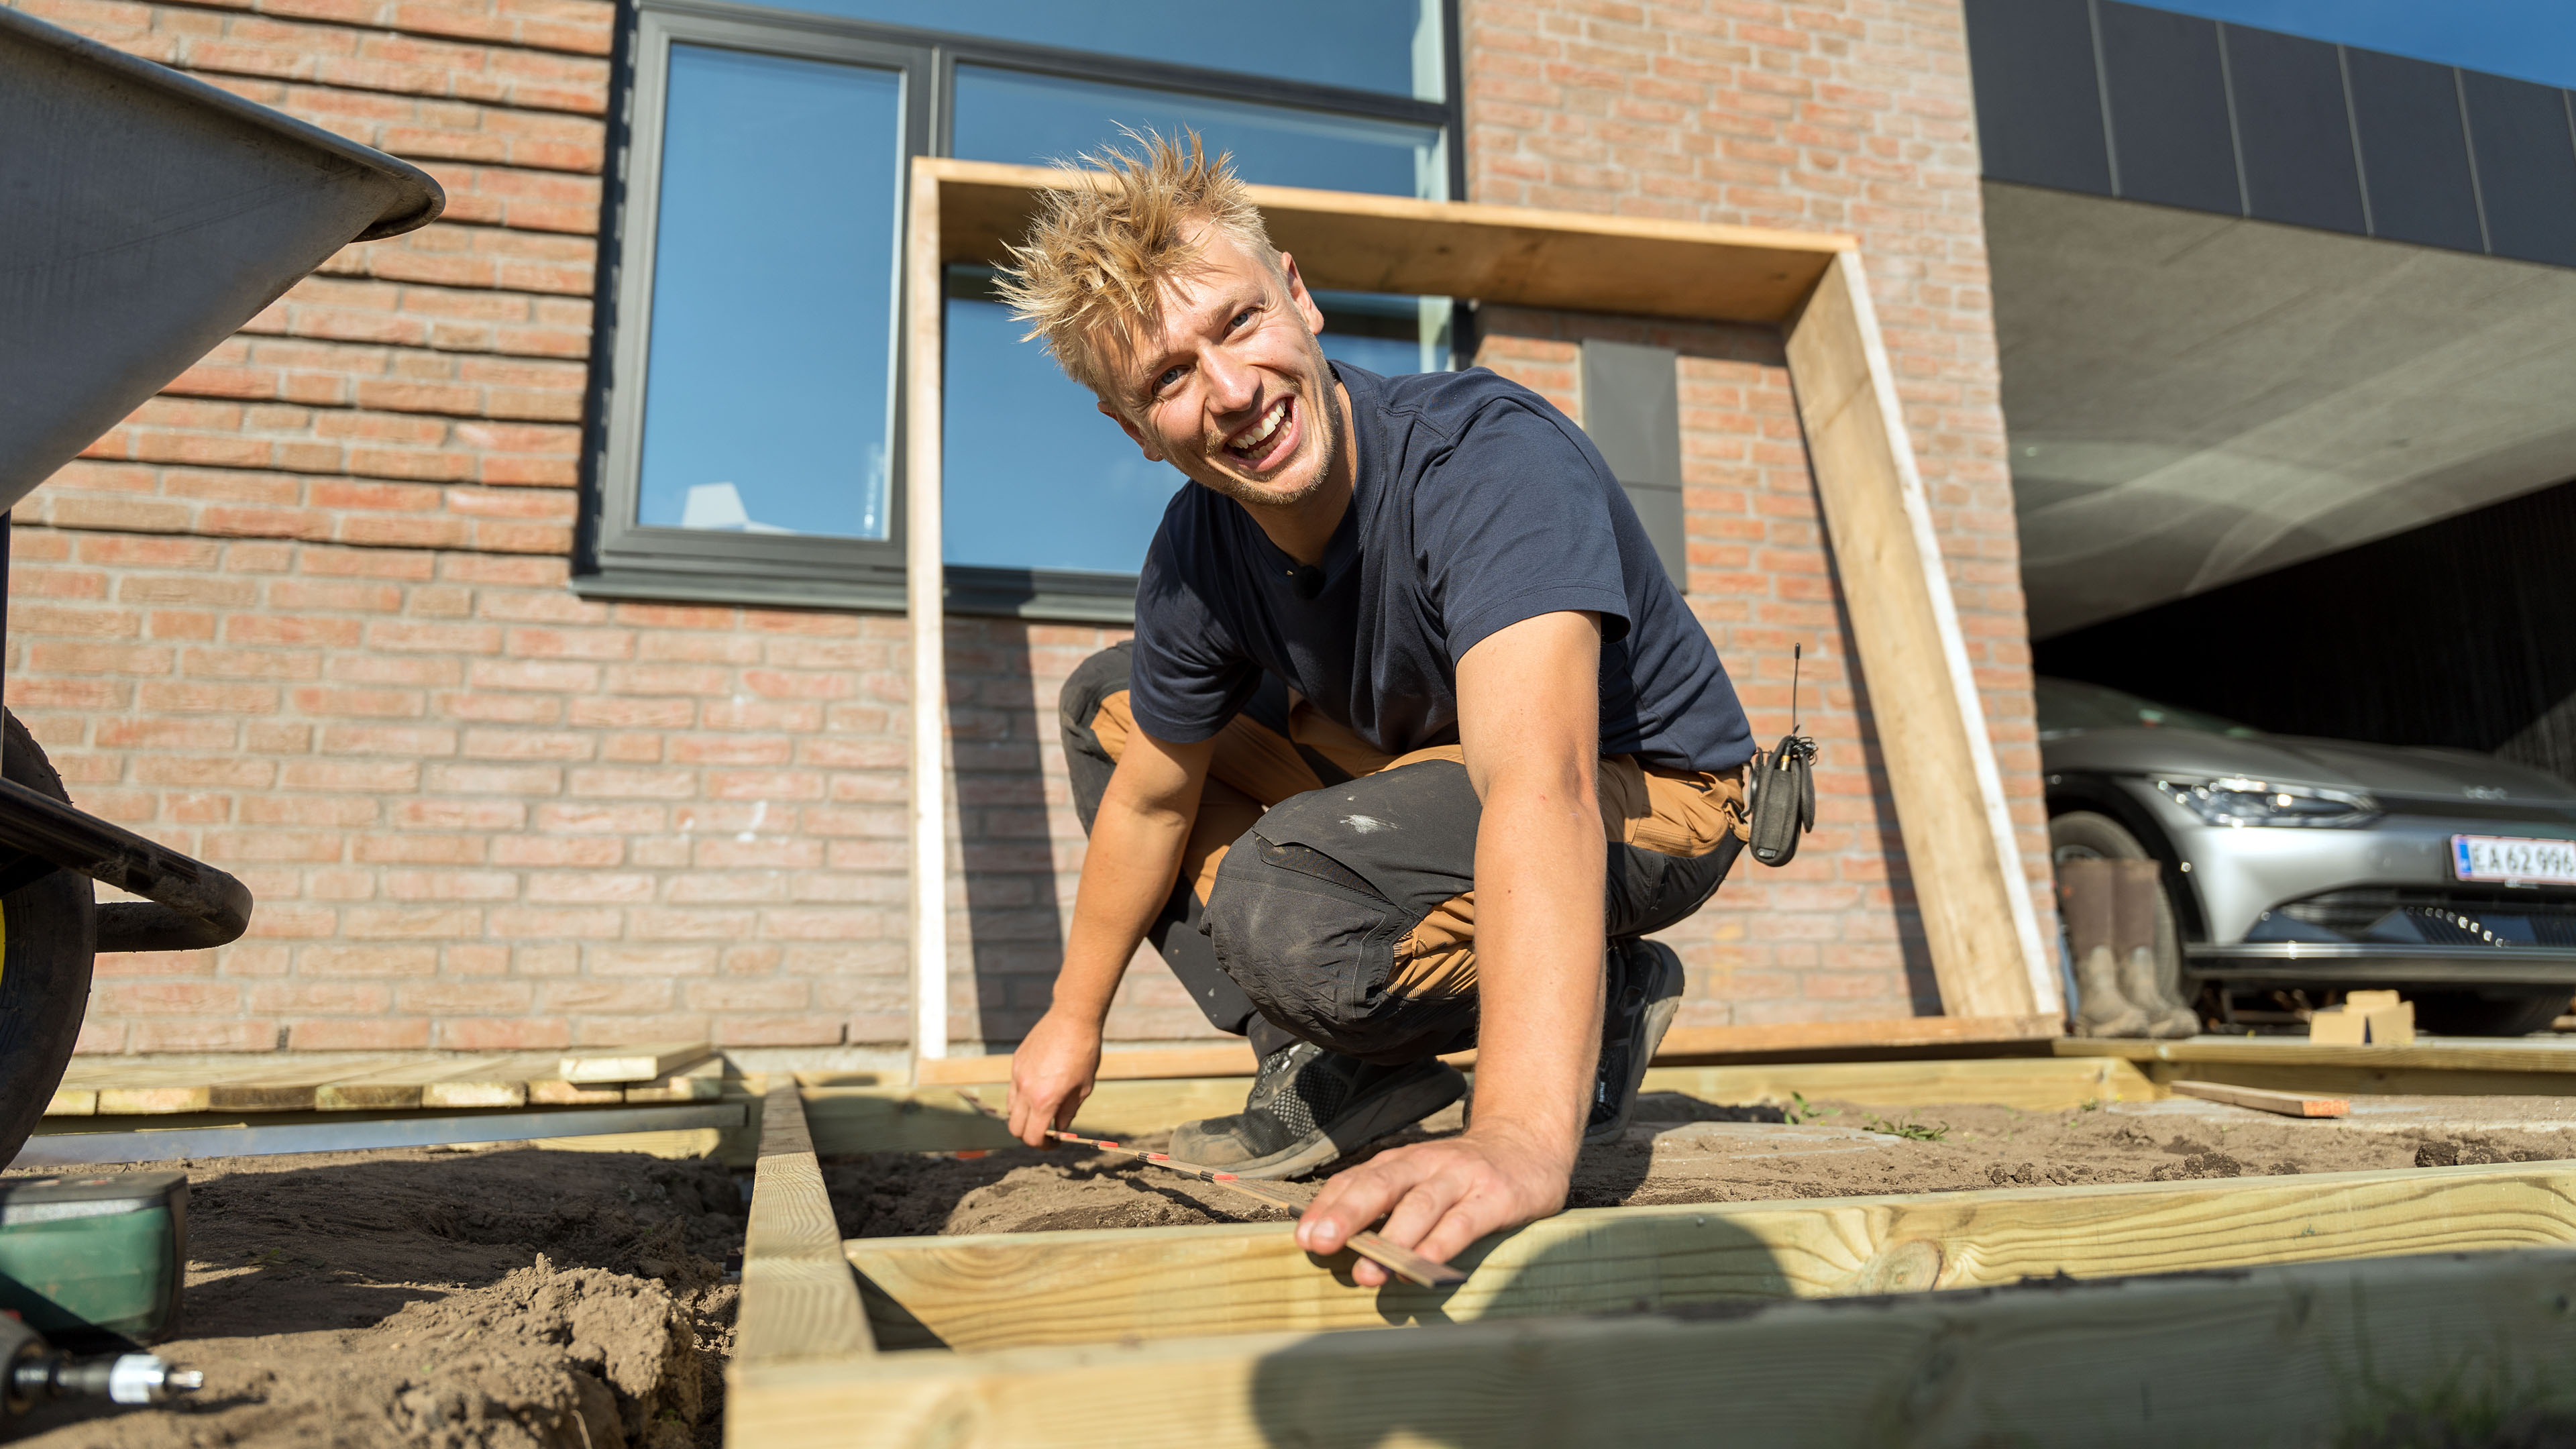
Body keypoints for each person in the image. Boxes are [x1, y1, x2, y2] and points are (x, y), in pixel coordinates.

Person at [998, 133, 1758, 1281]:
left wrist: (1513, 1132)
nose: (1232, 392)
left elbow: (1537, 787)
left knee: (1287, 907)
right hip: (1433, 768)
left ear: (1297, 294)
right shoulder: (1196, 556)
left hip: (1641, 786)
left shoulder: (1486, 462)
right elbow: (1153, 804)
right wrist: (1072, 1015)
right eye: (1168, 377)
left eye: (1240, 323)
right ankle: (1333, 1069)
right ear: (1130, 428)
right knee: (1113, 704)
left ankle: (1590, 1002)